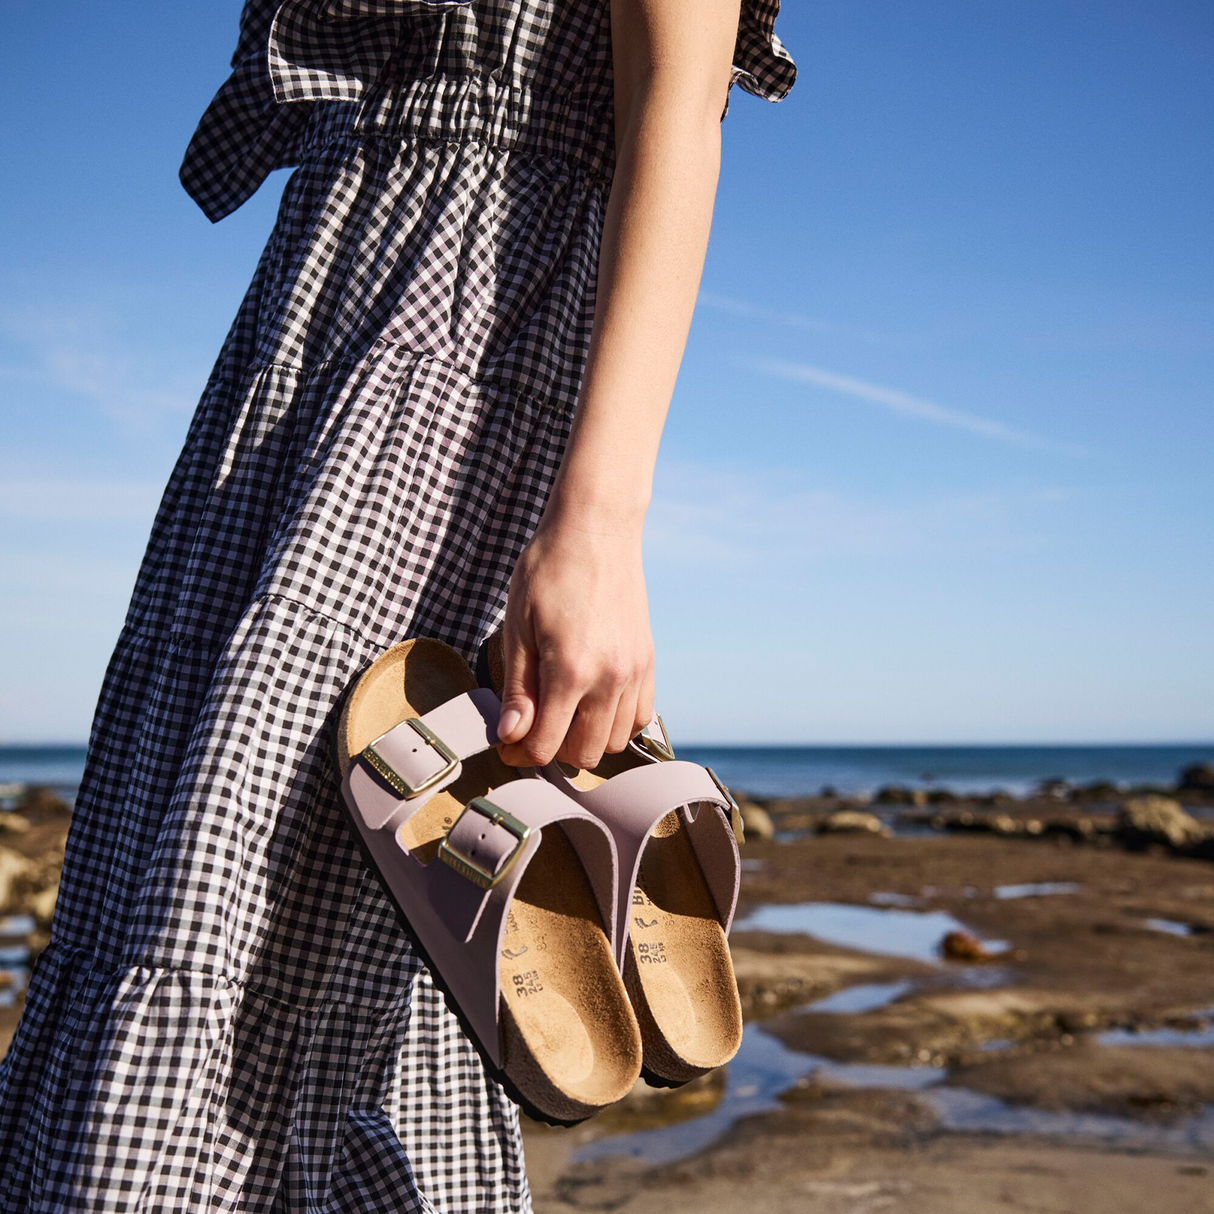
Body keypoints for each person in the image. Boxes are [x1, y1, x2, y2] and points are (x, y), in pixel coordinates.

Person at [0, 0, 795, 1209]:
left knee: (252, 918)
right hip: (299, 356)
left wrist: (598, 529)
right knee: (170, 882)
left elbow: (677, 117)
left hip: (464, 354)